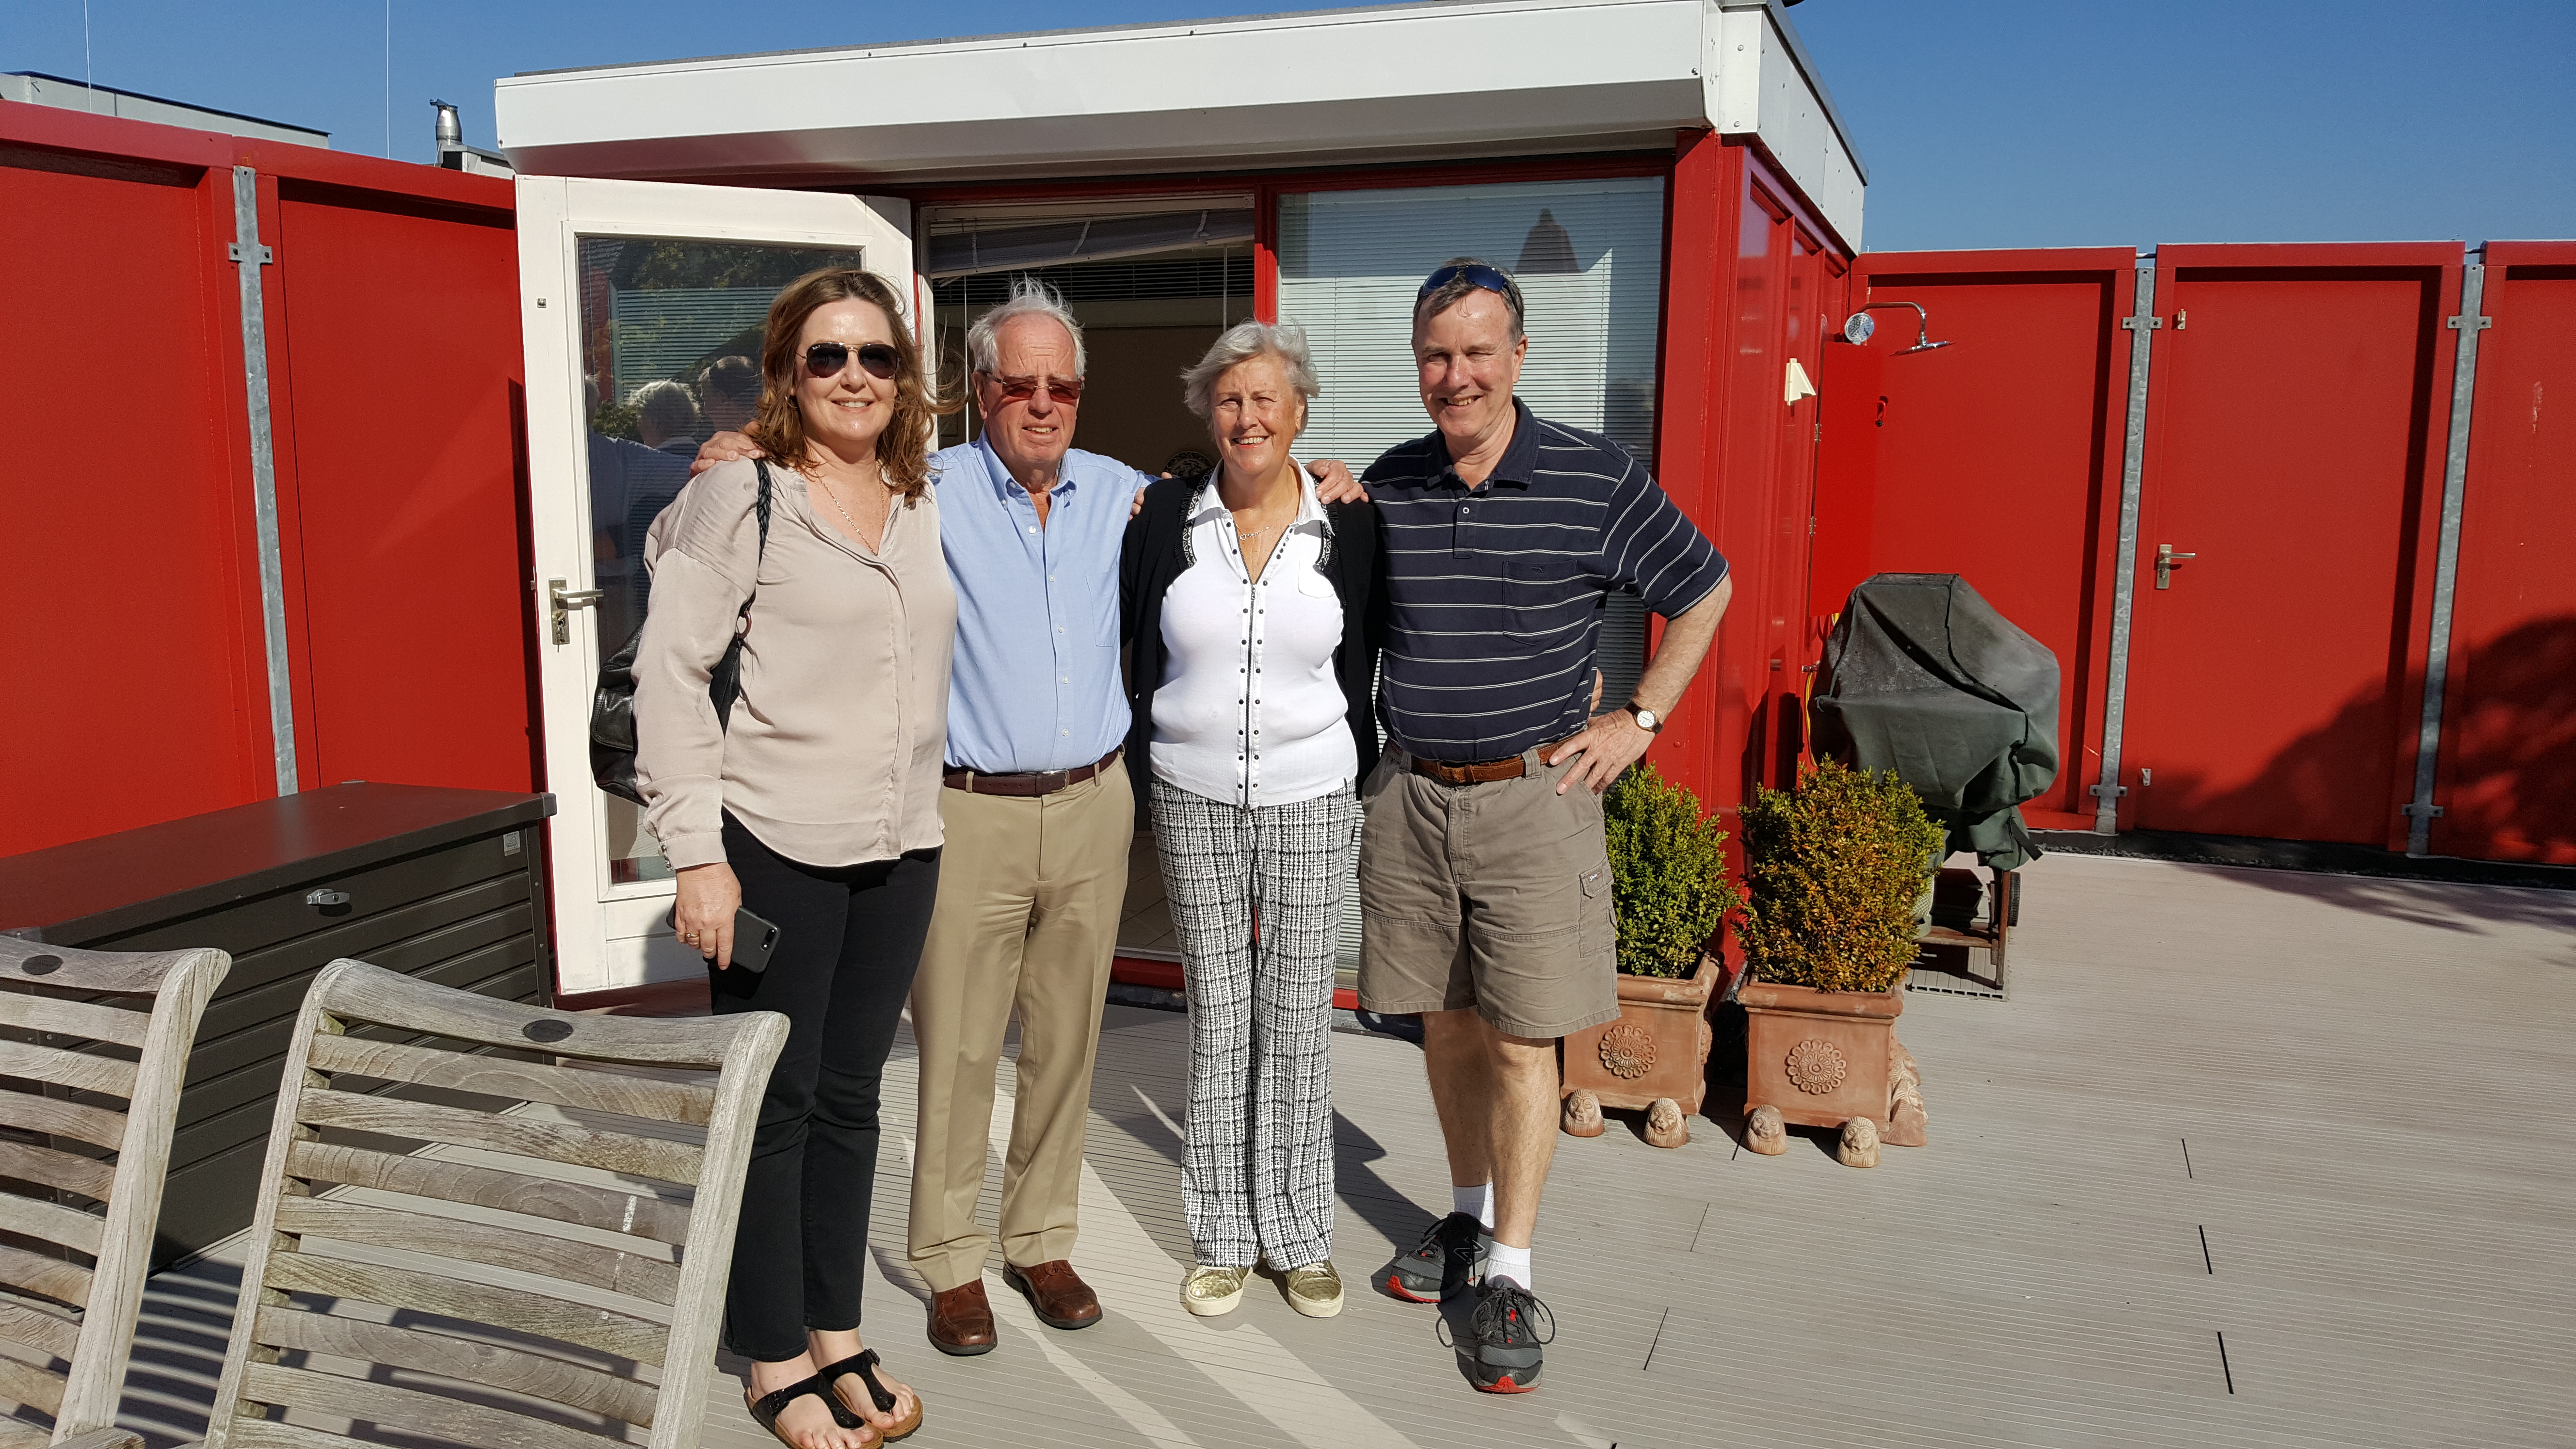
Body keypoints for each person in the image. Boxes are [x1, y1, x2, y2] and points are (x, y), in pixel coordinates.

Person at [691, 278, 1364, 1358]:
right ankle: (950, 1259)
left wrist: (1329, 475)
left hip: (1095, 803)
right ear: (980, 391)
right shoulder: (920, 486)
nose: (1041, 404)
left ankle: (1041, 1240)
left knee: (1066, 1043)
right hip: (969, 813)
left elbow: (1251, 484)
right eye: (1018, 384)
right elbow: (815, 484)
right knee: (959, 1048)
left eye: (1061, 387)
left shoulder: (1130, 497)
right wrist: (744, 454)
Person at [1358, 258, 1733, 1395]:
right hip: (1412, 798)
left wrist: (1641, 717)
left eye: (1478, 352)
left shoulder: (1593, 475)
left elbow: (1704, 586)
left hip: (1535, 800)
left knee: (1523, 1041)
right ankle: (1468, 1219)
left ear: (1518, 356)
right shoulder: (1391, 480)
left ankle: (1511, 1274)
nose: (1456, 375)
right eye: (1436, 355)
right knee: (1445, 1025)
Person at [636, 267, 949, 1449]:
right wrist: (695, 857)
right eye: (828, 356)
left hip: (900, 845)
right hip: (772, 847)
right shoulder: (743, 495)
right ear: (787, 372)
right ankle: (771, 1352)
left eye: (876, 356)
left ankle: (834, 1328)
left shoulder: (916, 499)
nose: (854, 376)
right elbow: (671, 673)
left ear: (902, 378)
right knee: (776, 1103)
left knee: (852, 1098)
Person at [1120, 322, 1380, 1320]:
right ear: (1207, 414)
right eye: (1229, 400)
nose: (1248, 417)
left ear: (1299, 411)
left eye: (1266, 398)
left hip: (1312, 793)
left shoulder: (1348, 523)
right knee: (1223, 1012)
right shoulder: (1162, 520)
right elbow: (1126, 634)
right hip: (1191, 793)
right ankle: (1224, 1236)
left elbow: (1378, 646)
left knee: (1300, 1013)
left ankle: (1301, 1233)